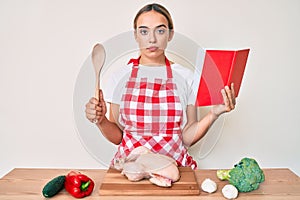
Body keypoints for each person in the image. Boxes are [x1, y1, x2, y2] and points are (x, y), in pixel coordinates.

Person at [85, 3, 236, 169]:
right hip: (130, 169)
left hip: (175, 167)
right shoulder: (119, 77)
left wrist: (214, 114)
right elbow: (118, 137)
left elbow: (187, 138)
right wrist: (100, 120)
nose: (152, 39)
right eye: (144, 31)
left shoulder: (186, 77)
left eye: (160, 30)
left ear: (170, 34)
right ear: (135, 35)